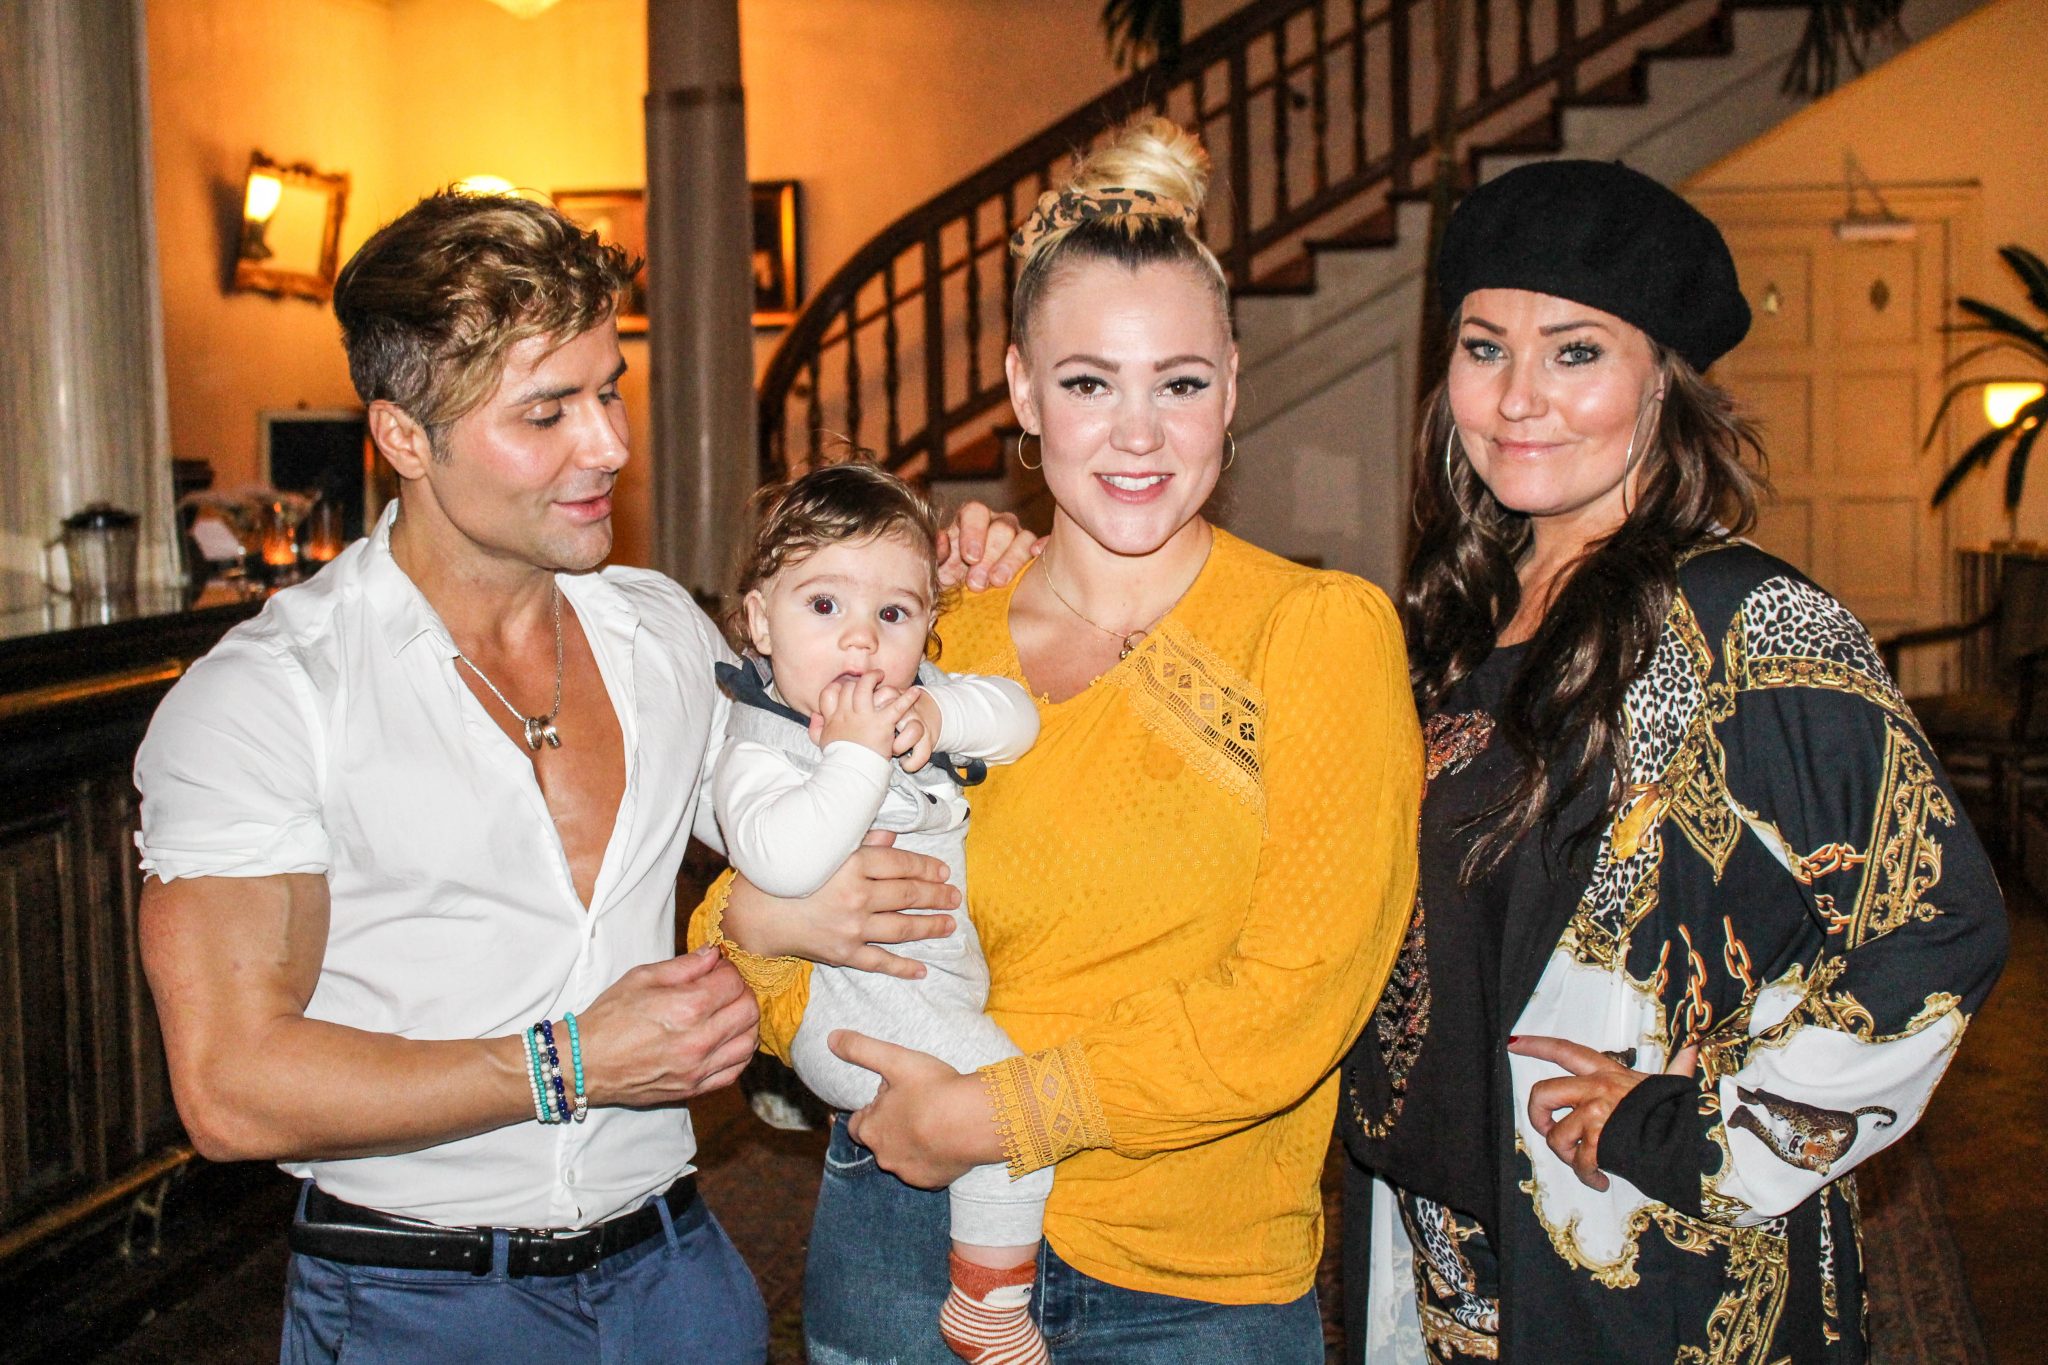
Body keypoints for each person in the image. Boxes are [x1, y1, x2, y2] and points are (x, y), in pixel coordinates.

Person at [133, 190, 1031, 1364]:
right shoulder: (268, 695)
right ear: (404, 437)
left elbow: (823, 790)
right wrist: (568, 1066)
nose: (608, 444)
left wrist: (982, 581)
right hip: (417, 1301)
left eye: (609, 392)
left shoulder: (660, 632)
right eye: (546, 411)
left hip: (680, 1273)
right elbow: (230, 1088)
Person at [697, 116, 1423, 1364]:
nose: (1137, 434)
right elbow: (734, 909)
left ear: (1231, 386)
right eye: (1087, 383)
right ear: (1023, 392)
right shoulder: (931, 631)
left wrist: (992, 1117)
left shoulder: (1314, 633)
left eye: (1178, 383)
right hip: (900, 1233)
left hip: (1184, 1286)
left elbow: (1296, 1002)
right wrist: (764, 922)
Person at [1339, 159, 2009, 1363]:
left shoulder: (1746, 623)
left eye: (1575, 352)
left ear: (1663, 383)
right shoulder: (1444, 626)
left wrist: (1701, 1129)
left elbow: (1937, 922)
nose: (1518, 398)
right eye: (1484, 348)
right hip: (1447, 1266)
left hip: (1648, 1273)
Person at [710, 460, 1052, 1363]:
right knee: (1015, 1107)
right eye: (824, 605)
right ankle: (988, 1306)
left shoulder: (913, 698)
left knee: (1000, 1104)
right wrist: (857, 755)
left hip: (927, 990)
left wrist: (940, 712)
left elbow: (1018, 720)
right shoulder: (761, 742)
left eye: (893, 614)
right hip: (851, 1014)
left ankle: (983, 1285)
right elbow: (780, 858)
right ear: (760, 622)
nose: (861, 639)